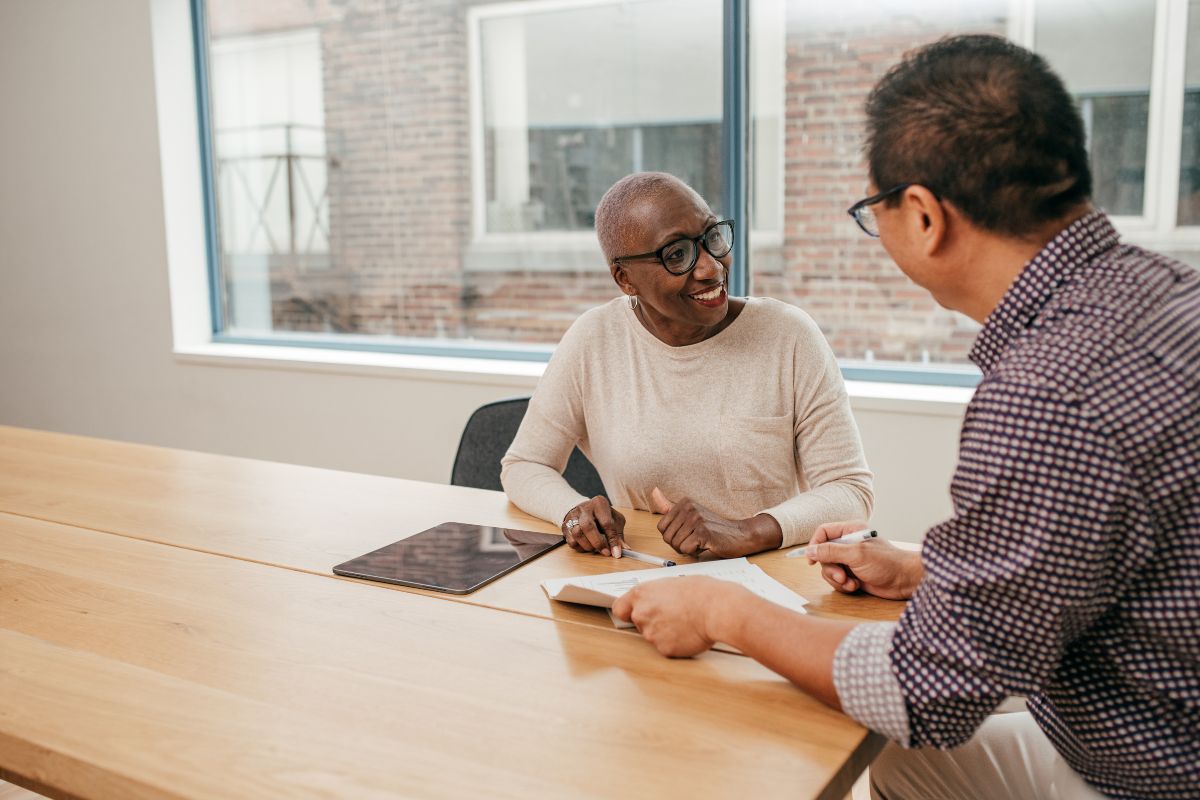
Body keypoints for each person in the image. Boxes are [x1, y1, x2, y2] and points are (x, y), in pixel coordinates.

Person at [612, 34, 1199, 800]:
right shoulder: (1168, 292)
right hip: (1156, 720)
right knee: (894, 763)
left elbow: (927, 691)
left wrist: (729, 610)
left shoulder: (1047, 394)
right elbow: (1105, 550)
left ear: (923, 215)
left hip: (1155, 770)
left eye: (873, 209)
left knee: (881, 737)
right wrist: (928, 572)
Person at [500, 172, 873, 559]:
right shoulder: (594, 339)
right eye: (676, 254)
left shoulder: (789, 335)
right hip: (640, 573)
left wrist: (748, 531)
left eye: (711, 237)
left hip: (766, 578)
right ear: (624, 278)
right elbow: (525, 464)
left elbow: (850, 491)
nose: (711, 268)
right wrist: (572, 513)